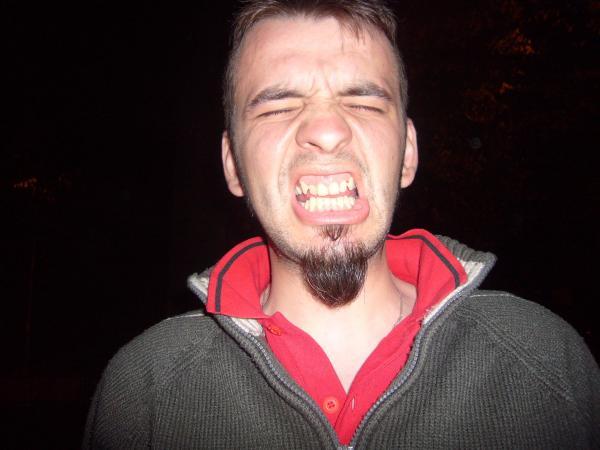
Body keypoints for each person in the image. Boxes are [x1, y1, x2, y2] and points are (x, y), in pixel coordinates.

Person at [83, 1, 600, 448]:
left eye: (363, 102)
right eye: (278, 107)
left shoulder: (548, 364)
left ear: (408, 153)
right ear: (233, 165)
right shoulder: (144, 391)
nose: (327, 131)